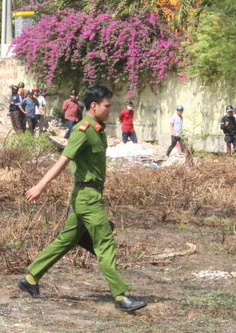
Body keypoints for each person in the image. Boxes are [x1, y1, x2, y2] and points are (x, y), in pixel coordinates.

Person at [18, 84, 147, 313]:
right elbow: (63, 159)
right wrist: (40, 186)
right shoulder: (82, 130)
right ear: (94, 105)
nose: (110, 110)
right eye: (107, 106)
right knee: (105, 242)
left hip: (88, 195)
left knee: (66, 240)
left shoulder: (97, 129)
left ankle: (30, 279)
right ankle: (120, 296)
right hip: (87, 198)